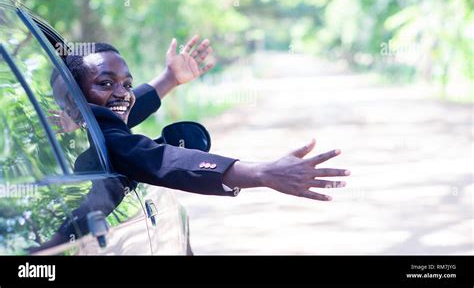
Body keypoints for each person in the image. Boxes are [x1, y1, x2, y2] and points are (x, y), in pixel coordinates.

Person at [62, 37, 350, 201]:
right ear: (73, 98)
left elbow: (117, 111)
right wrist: (263, 172)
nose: (123, 93)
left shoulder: (89, 125)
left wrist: (169, 79)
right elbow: (161, 159)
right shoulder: (110, 139)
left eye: (127, 83)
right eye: (105, 83)